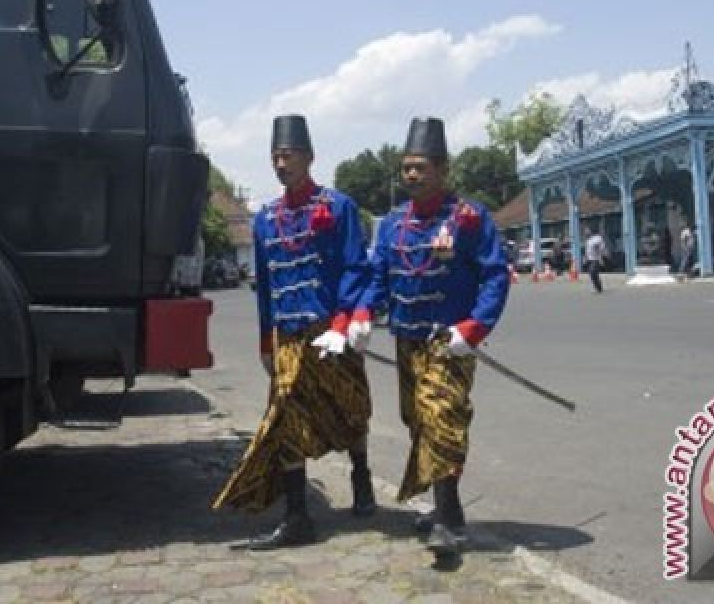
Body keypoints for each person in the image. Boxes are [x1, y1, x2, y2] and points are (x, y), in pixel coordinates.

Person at [350, 117, 510, 562]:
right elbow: (378, 275)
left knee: (442, 416)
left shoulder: (469, 218)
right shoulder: (393, 223)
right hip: (407, 338)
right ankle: (448, 508)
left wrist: (474, 327)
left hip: (449, 339)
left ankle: (445, 520)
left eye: (420, 167)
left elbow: (496, 276)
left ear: (442, 169)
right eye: (406, 168)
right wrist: (364, 313)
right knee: (417, 420)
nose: (411, 175)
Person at [212, 114, 375, 549]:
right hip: (287, 335)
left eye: (288, 155)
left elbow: (355, 268)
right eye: (275, 157)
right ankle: (297, 515)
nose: (281, 164)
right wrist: (266, 339)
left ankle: (361, 474)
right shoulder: (265, 220)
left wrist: (345, 324)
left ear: (309, 157)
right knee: (284, 417)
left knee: (351, 407)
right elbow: (264, 286)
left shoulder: (338, 206)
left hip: (331, 330)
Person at [583, 228, 607, 292]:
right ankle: (598, 288)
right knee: (593, 274)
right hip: (590, 260)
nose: (586, 233)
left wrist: (601, 257)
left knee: (592, 272)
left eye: (587, 231)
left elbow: (602, 247)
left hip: (596, 259)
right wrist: (585, 258)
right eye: (585, 232)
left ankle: (598, 288)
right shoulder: (587, 241)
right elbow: (587, 250)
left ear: (591, 231)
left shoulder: (597, 238)